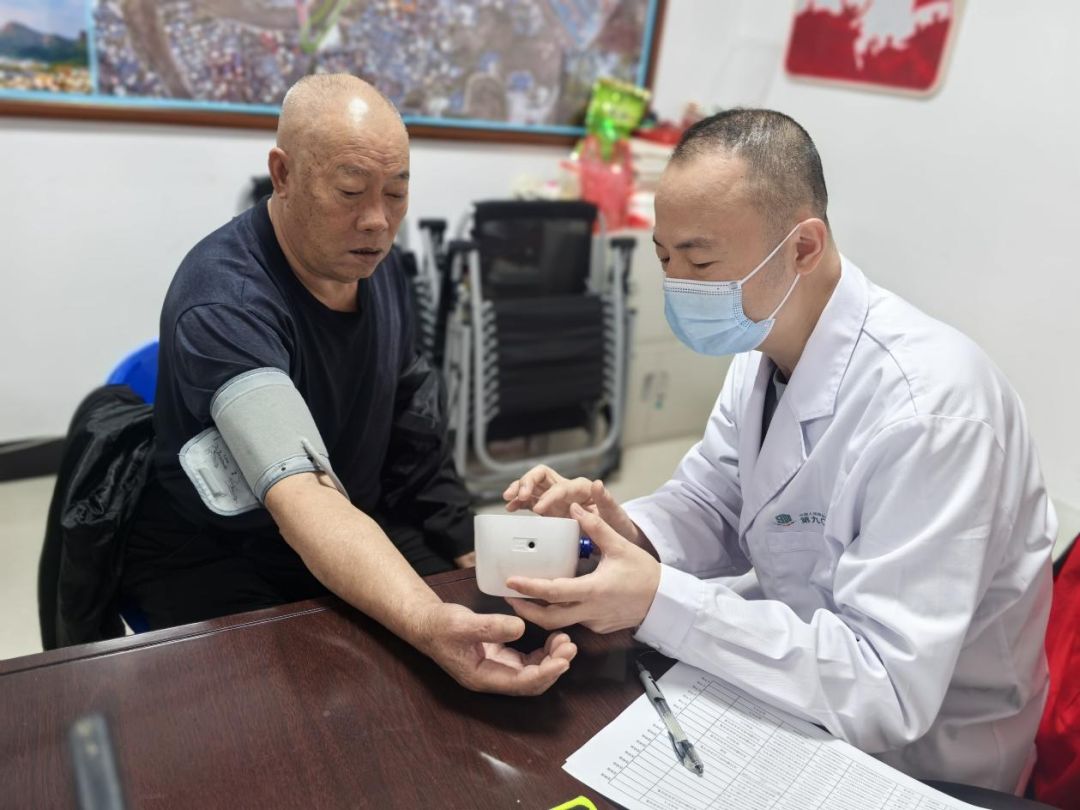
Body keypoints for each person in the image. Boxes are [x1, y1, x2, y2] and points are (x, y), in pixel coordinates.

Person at [501, 109, 1055, 788]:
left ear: (803, 247)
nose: (679, 285)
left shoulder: (933, 411)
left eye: (701, 261)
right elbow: (715, 499)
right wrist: (620, 531)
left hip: (926, 766)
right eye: (666, 258)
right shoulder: (764, 344)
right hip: (792, 697)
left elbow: (884, 689)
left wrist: (656, 600)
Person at [120, 74, 576, 696]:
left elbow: (411, 420)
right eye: (350, 191)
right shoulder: (225, 301)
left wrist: (464, 543)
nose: (377, 221)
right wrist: (424, 619)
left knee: (500, 630)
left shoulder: (374, 267)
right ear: (283, 174)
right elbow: (302, 493)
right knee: (319, 711)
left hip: (358, 517)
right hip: (226, 551)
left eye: (397, 193)